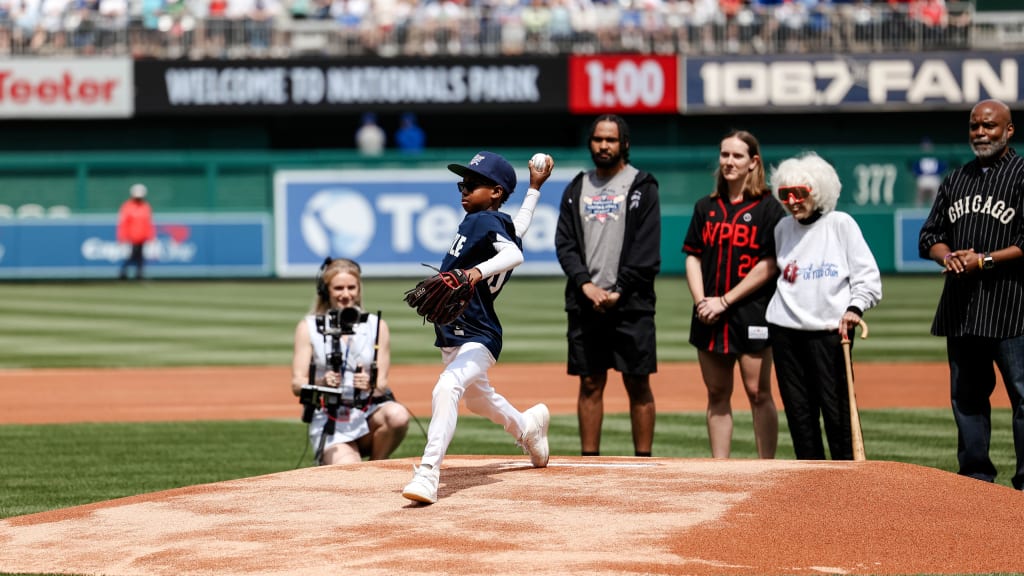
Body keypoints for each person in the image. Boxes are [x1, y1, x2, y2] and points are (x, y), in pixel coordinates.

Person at [402, 150, 555, 505]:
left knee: (447, 387)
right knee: (478, 400)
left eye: (473, 184)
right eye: (462, 183)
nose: (464, 190)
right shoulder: (495, 223)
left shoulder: (481, 222)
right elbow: (519, 231)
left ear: (497, 192)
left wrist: (473, 273)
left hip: (479, 334)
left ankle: (427, 474)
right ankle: (528, 429)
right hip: (457, 333)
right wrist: (534, 189)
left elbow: (515, 255)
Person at [918, 98, 1024, 490]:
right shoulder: (956, 179)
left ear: (1008, 130)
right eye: (974, 126)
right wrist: (948, 256)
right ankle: (975, 481)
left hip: (1014, 307)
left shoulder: (1022, 174)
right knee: (966, 398)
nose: (980, 133)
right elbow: (929, 236)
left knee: (1023, 398)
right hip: (963, 309)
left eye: (989, 126)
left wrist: (985, 260)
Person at [554, 114, 661, 457]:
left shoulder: (642, 185)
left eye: (611, 140)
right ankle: (589, 461)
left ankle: (643, 460)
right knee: (589, 383)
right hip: (586, 301)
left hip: (631, 302)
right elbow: (565, 243)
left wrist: (619, 290)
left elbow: (647, 247)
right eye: (598, 139)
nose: (603, 146)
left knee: (638, 382)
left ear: (624, 144)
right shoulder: (576, 187)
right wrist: (586, 285)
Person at [766, 152, 882, 460]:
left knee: (837, 411)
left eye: (800, 194)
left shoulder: (840, 224)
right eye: (785, 194)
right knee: (798, 412)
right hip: (784, 330)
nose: (792, 201)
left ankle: (845, 483)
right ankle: (811, 481)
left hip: (830, 330)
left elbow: (867, 278)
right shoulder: (782, 229)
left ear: (818, 193)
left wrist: (855, 308)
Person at [682, 130, 786, 459]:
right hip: (708, 312)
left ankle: (765, 465)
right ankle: (720, 468)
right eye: (725, 155)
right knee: (716, 393)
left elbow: (769, 264)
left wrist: (725, 301)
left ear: (753, 162)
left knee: (758, 392)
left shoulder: (770, 208)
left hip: (751, 311)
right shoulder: (706, 207)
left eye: (737, 156)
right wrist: (702, 301)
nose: (729, 162)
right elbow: (693, 256)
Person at [291, 257, 410, 465]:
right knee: (349, 470)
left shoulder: (377, 325)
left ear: (359, 289)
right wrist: (321, 382)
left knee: (398, 415)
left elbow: (381, 384)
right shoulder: (308, 327)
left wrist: (370, 384)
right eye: (338, 288)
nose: (346, 295)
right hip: (330, 420)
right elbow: (297, 384)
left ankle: (377, 464)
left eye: (351, 287)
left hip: (367, 413)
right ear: (325, 290)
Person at [117, 183, 156, 280]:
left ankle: (139, 274)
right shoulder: (127, 206)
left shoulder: (146, 207)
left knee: (140, 257)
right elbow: (123, 223)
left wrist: (150, 236)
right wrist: (122, 236)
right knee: (132, 256)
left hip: (142, 237)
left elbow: (148, 223)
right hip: (131, 237)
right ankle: (123, 273)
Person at [912, 137, 949, 207]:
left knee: (936, 198)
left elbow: (944, 167)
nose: (926, 148)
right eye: (925, 146)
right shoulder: (919, 157)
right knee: (919, 201)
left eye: (928, 146)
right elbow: (914, 169)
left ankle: (936, 212)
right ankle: (917, 211)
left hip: (934, 179)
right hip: (923, 180)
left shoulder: (936, 156)